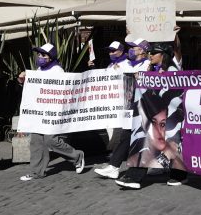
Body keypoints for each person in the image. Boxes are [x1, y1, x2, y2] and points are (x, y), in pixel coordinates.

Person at [116, 42, 183, 189]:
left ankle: (178, 175)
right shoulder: (151, 69)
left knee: (173, 144)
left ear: (163, 55)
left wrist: (161, 80)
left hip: (170, 117)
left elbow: (174, 96)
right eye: (150, 53)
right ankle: (134, 176)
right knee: (145, 142)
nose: (150, 55)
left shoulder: (172, 70)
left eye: (154, 53)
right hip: (154, 115)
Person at [19, 43, 85, 181]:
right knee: (36, 142)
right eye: (39, 54)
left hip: (53, 113)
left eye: (43, 55)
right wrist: (23, 80)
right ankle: (36, 171)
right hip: (39, 113)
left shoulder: (57, 71)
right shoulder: (39, 70)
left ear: (50, 57)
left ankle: (77, 156)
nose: (40, 57)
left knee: (51, 141)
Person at [94, 35, 150, 180]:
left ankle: (165, 167)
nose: (130, 50)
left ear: (142, 51)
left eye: (133, 48)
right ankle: (114, 167)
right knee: (125, 137)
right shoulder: (129, 64)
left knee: (142, 138)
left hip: (142, 107)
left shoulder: (147, 64)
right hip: (128, 106)